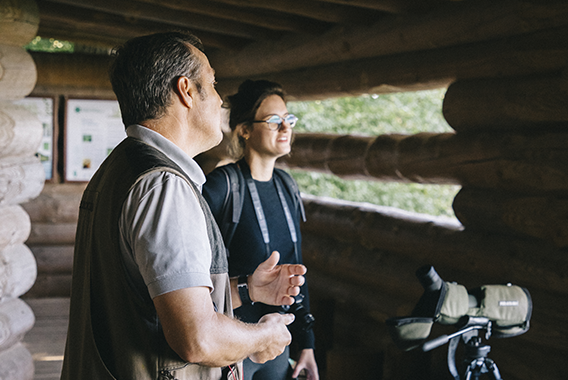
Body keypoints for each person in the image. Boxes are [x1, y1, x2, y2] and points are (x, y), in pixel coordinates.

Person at [60, 32, 308, 380]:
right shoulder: (164, 187)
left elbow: (155, 300)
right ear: (186, 90)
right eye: (213, 82)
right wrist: (262, 338)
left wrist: (246, 288)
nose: (221, 99)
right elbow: (198, 338)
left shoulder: (120, 166)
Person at [203, 80, 319, 380]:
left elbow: (297, 267)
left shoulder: (286, 186)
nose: (285, 128)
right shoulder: (221, 186)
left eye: (288, 119)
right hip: (231, 344)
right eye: (273, 121)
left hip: (276, 344)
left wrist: (306, 344)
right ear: (244, 130)